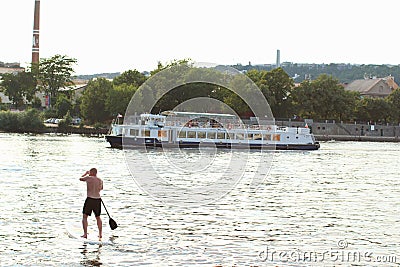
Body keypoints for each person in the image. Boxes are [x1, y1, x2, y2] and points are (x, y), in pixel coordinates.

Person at [79, 168, 103, 239]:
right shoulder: (100, 180)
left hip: (90, 199)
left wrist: (86, 173)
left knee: (85, 216)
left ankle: (85, 234)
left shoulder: (88, 178)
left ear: (91, 172)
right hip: (98, 200)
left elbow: (80, 178)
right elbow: (101, 189)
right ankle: (100, 234)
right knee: (98, 217)